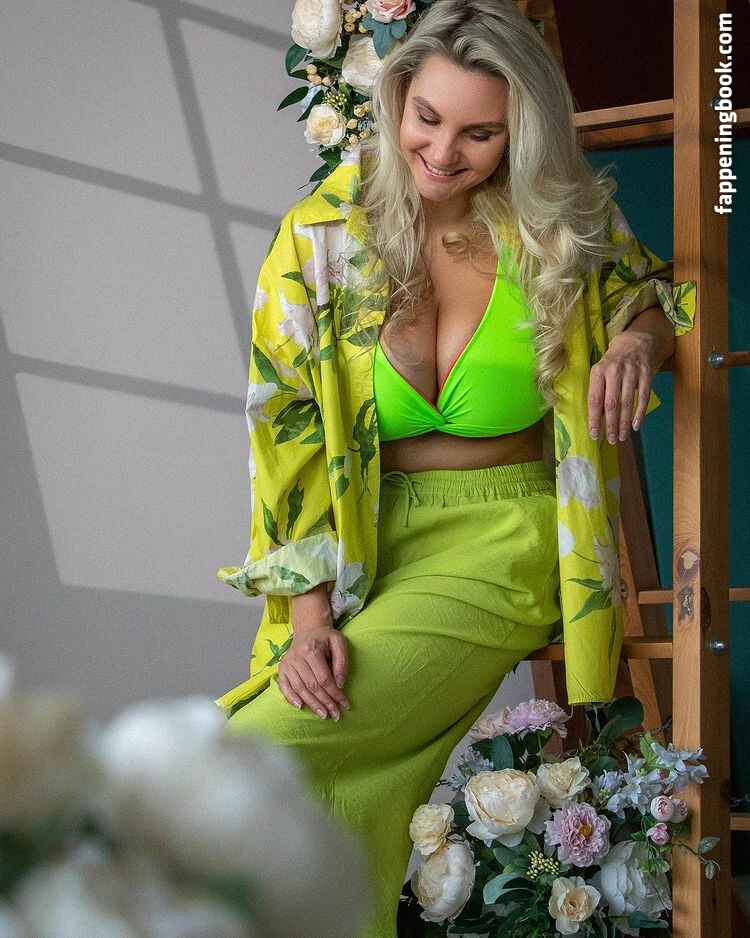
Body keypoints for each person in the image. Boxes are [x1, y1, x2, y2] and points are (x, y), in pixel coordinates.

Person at [214, 2, 695, 935]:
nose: (443, 151)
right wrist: (308, 613)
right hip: (364, 544)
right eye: (427, 118)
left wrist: (636, 343)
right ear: (397, 100)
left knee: (257, 752)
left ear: (522, 134)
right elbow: (286, 432)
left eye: (481, 133)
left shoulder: (558, 225)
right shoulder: (319, 236)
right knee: (341, 790)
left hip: (504, 533)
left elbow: (658, 296)